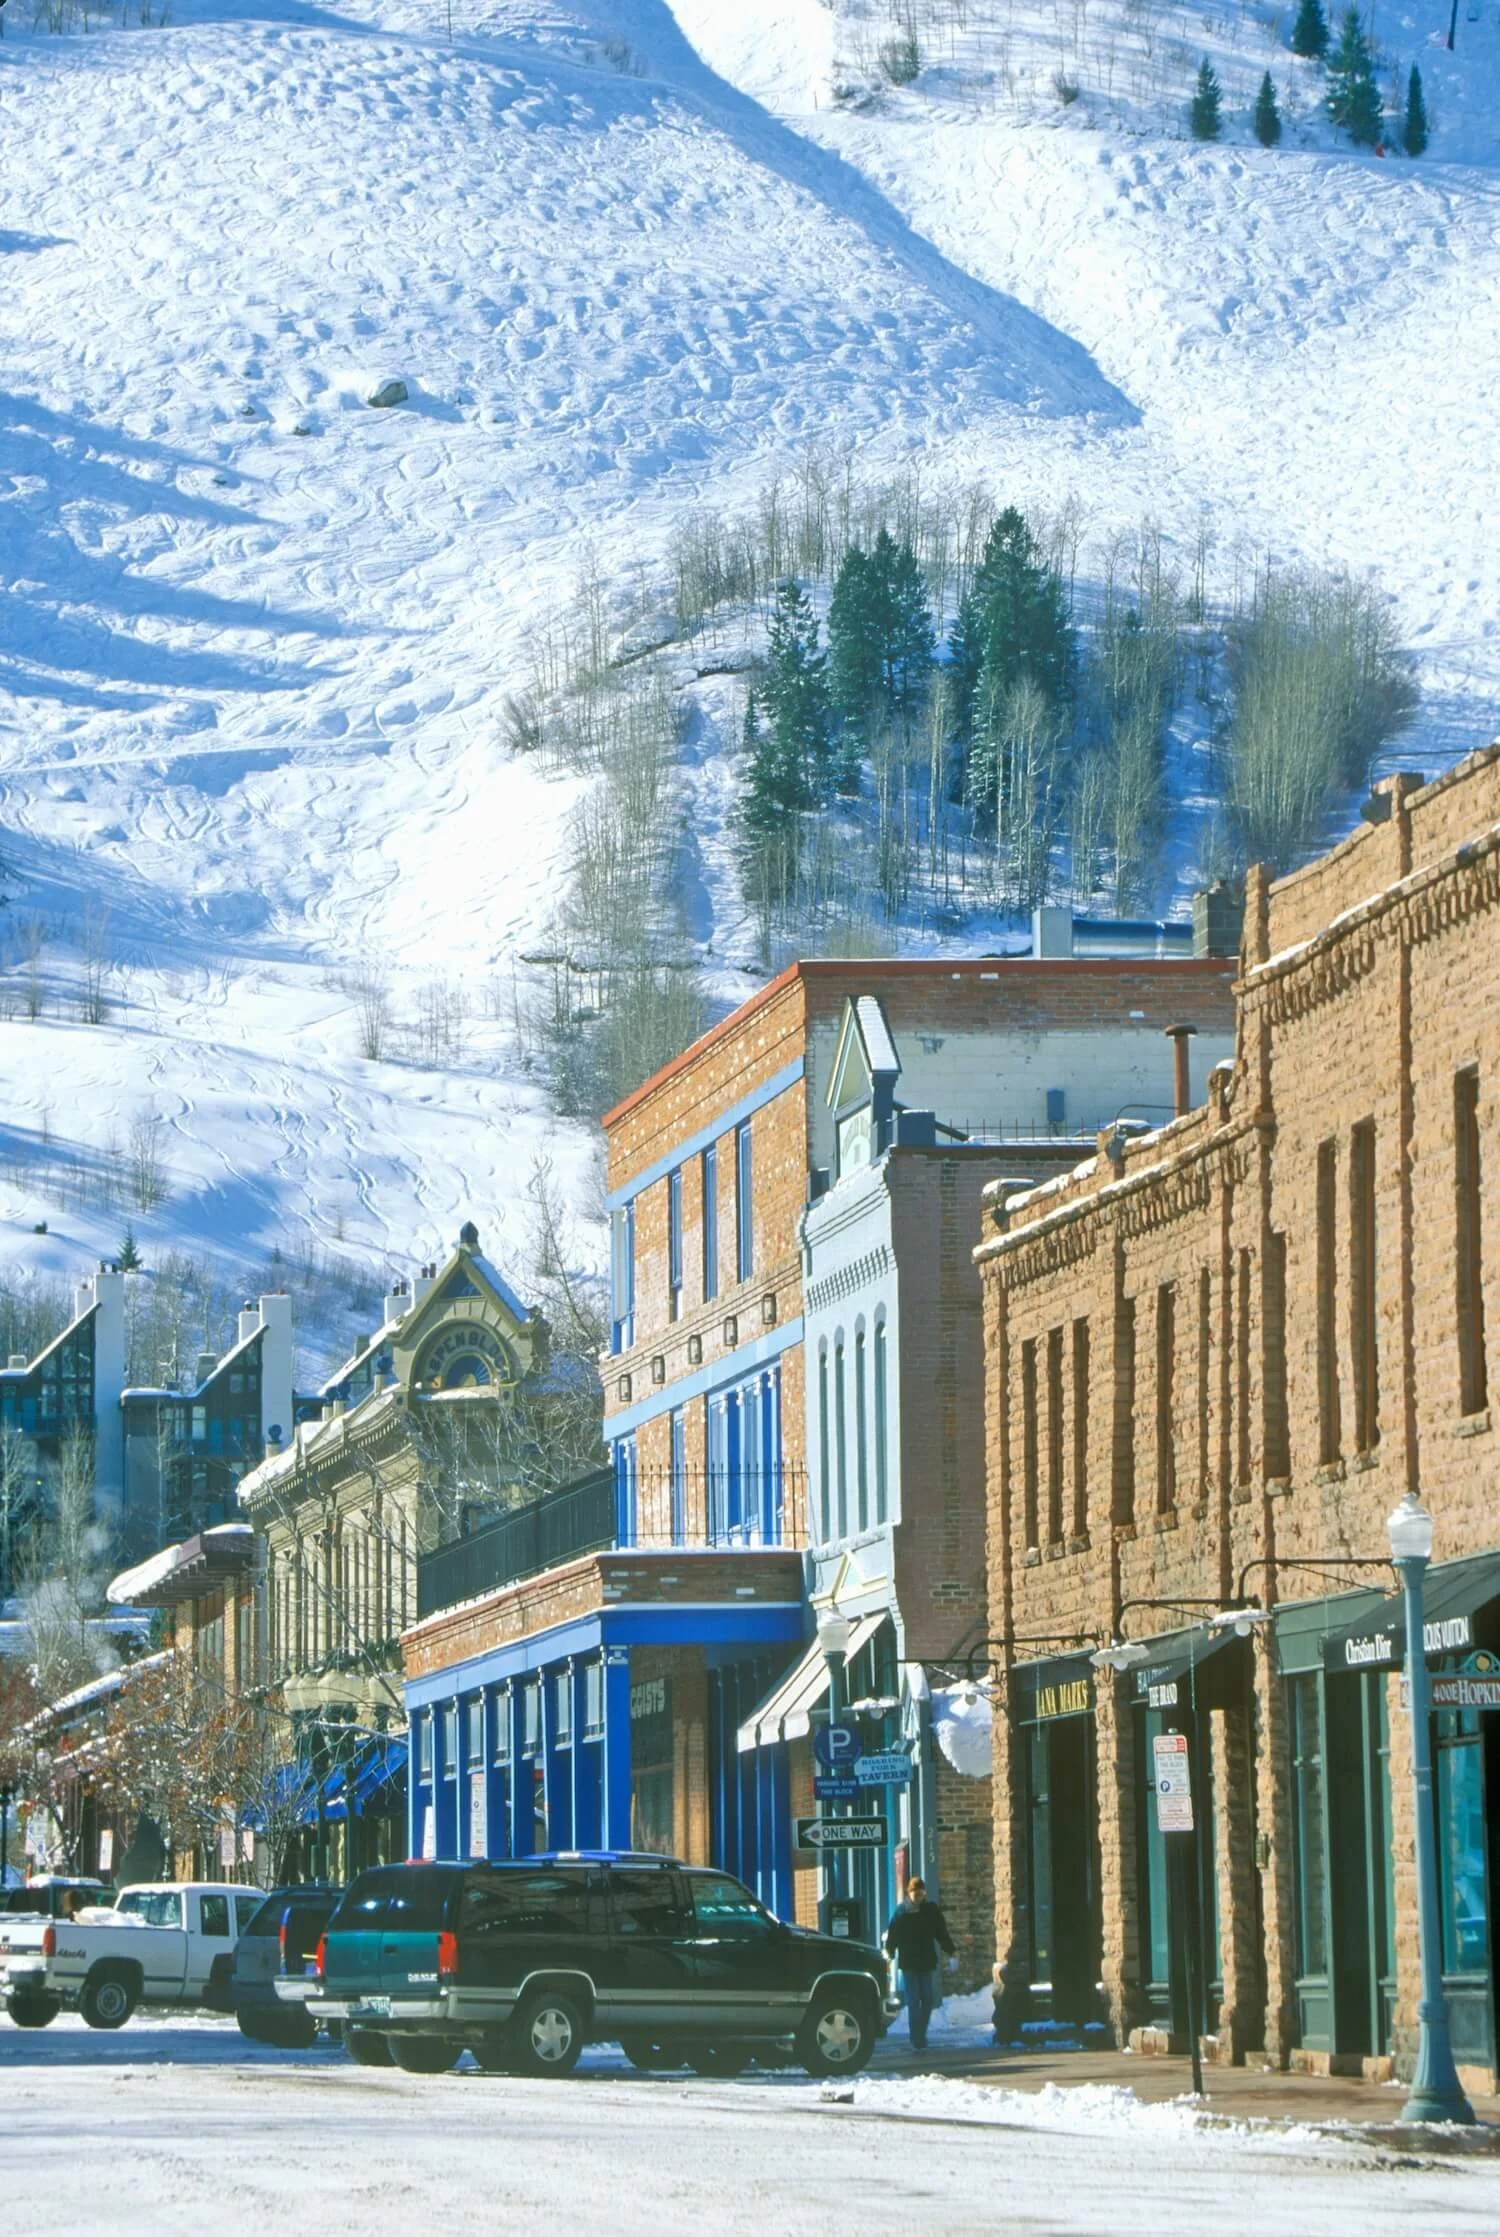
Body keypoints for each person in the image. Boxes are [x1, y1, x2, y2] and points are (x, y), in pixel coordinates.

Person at [883, 1876, 956, 2053]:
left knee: (928, 1998)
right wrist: (889, 1951)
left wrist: (951, 1951)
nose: (919, 1898)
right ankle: (917, 2037)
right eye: (916, 1894)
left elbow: (941, 1932)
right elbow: (893, 1934)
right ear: (909, 1893)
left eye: (922, 1894)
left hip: (926, 1961)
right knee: (914, 2000)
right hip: (908, 1962)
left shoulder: (930, 1911)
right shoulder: (902, 1912)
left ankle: (921, 2032)